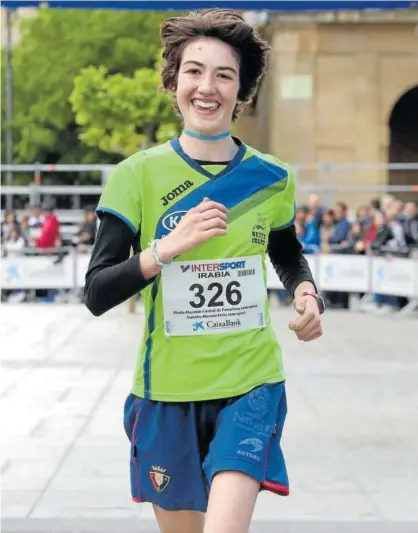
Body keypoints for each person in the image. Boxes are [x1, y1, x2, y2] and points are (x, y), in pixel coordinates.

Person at [84, 9, 324, 533]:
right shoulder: (135, 176)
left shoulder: (271, 177)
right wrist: (166, 248)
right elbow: (97, 291)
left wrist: (306, 290)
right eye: (193, 71)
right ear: (173, 84)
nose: (206, 87)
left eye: (224, 75)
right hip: (165, 391)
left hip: (250, 382)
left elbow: (285, 249)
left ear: (243, 92)